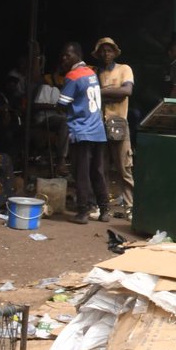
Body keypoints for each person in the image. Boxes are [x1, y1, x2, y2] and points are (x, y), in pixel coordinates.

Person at [57, 42, 110, 225]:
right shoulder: (91, 73)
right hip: (98, 131)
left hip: (82, 131)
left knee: (81, 173)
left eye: (67, 55)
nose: (64, 59)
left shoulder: (72, 76)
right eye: (63, 55)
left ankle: (83, 211)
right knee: (98, 171)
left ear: (76, 56)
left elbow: (62, 103)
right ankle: (104, 210)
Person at [94, 37, 135, 217]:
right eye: (102, 50)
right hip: (100, 125)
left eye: (109, 50)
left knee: (124, 167)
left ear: (114, 52)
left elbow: (126, 92)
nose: (106, 53)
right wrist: (113, 94)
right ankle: (104, 206)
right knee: (101, 168)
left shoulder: (124, 69)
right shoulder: (96, 73)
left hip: (119, 123)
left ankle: (129, 206)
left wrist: (101, 92)